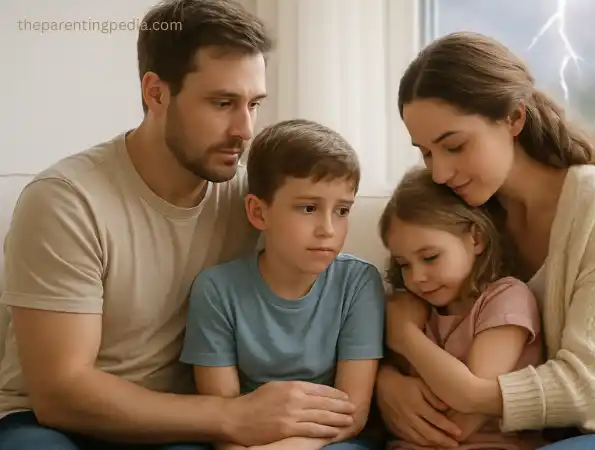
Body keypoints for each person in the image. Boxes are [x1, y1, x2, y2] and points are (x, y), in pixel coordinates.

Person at [0, 1, 357, 448]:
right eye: (223, 103)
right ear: (156, 93)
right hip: (50, 426)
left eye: (254, 104)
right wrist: (231, 414)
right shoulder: (67, 200)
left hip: (181, 425)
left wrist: (397, 386)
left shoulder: (252, 201)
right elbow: (60, 393)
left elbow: (339, 279)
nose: (246, 130)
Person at [374, 31, 595, 450]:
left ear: (514, 119)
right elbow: (413, 314)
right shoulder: (467, 215)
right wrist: (387, 384)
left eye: (455, 145)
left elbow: (587, 385)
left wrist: (464, 393)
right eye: (427, 153)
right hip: (528, 437)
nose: (441, 172)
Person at [179, 119, 386, 450]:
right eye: (309, 208)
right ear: (259, 213)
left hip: (329, 441)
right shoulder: (216, 290)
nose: (328, 229)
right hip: (245, 437)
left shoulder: (358, 282)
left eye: (343, 210)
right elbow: (224, 415)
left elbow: (353, 413)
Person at [377, 166, 548, 450]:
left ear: (476, 238)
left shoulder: (506, 299)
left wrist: (406, 337)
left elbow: (465, 413)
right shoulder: (411, 307)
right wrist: (389, 381)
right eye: (404, 264)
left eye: (430, 257)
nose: (417, 276)